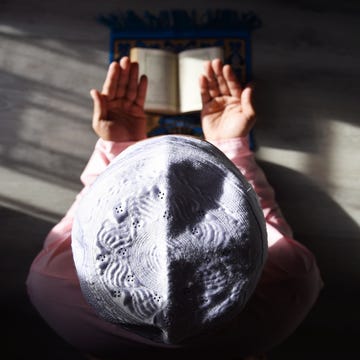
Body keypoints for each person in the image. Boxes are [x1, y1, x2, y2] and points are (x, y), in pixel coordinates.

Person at [26, 56, 323, 360]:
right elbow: (260, 221)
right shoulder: (292, 283)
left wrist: (117, 145)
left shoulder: (51, 286)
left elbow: (91, 212)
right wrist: (230, 143)